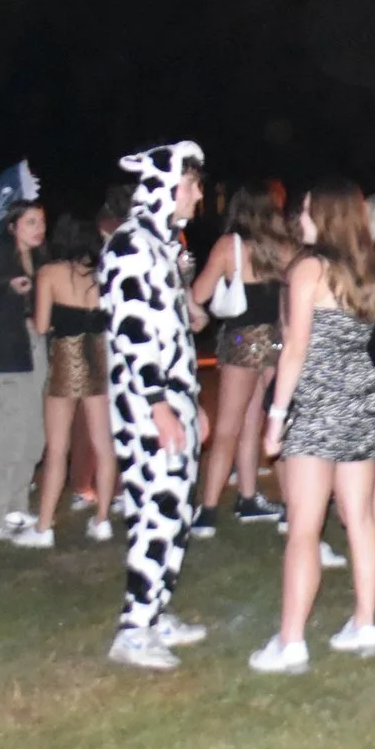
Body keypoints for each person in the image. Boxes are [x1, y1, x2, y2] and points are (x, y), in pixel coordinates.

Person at [250, 180, 375, 672]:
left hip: (318, 404)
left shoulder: (309, 270)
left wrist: (276, 417)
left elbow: (295, 350)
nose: (300, 218)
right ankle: (365, 625)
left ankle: (292, 640)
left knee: (304, 525)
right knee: (360, 519)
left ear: (323, 214)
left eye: (304, 210)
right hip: (363, 402)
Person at [102, 142, 214, 672]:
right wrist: (157, 404)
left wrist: (191, 400)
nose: (198, 193)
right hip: (148, 405)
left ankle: (154, 611)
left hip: (174, 398)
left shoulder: (160, 245)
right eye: (190, 184)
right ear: (165, 188)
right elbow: (134, 334)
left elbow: (173, 334)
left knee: (176, 510)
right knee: (156, 512)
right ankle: (134, 628)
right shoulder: (129, 246)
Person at [189, 185, 294, 538]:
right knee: (266, 423)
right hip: (277, 340)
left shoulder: (229, 246)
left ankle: (207, 510)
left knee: (228, 429)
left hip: (241, 340)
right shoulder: (287, 246)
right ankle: (262, 501)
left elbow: (199, 294)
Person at [18, 215, 114, 548]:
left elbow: (42, 326)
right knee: (103, 444)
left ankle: (44, 527)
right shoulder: (105, 274)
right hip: (99, 358)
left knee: (57, 448)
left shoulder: (49, 273)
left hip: (66, 359)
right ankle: (102, 520)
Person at [0, 196, 48, 542]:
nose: (39, 229)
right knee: (8, 436)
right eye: (31, 222)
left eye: (41, 222)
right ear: (13, 226)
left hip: (35, 348)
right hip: (5, 353)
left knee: (34, 435)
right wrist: (7, 288)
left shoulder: (41, 259)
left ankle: (17, 506)